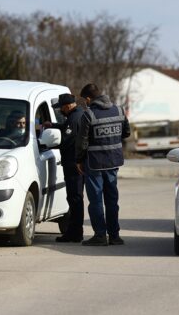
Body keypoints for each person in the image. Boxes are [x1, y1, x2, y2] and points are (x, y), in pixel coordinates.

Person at [75, 83, 131, 246]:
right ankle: (114, 236)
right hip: (113, 162)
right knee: (112, 200)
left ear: (88, 98)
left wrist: (79, 160)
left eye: (84, 101)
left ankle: (100, 235)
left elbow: (82, 141)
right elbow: (126, 132)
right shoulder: (119, 110)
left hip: (94, 164)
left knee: (96, 201)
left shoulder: (89, 114)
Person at [46, 94, 86, 243]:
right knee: (76, 198)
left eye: (61, 108)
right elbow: (67, 128)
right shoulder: (77, 115)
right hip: (76, 163)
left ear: (68, 106)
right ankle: (75, 231)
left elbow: (67, 140)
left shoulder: (74, 118)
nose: (60, 111)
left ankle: (75, 233)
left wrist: (48, 143)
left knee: (75, 198)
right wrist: (54, 126)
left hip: (73, 164)